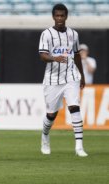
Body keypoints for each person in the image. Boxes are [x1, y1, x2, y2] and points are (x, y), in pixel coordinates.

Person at [38, 4, 88, 157]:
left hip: (71, 76)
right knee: (51, 114)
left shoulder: (74, 34)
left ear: (66, 16)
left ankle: (79, 146)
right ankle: (45, 135)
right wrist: (54, 58)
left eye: (62, 15)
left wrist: (82, 76)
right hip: (52, 79)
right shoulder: (46, 34)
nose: (60, 18)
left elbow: (77, 55)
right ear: (53, 17)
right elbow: (43, 55)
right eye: (57, 16)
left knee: (74, 107)